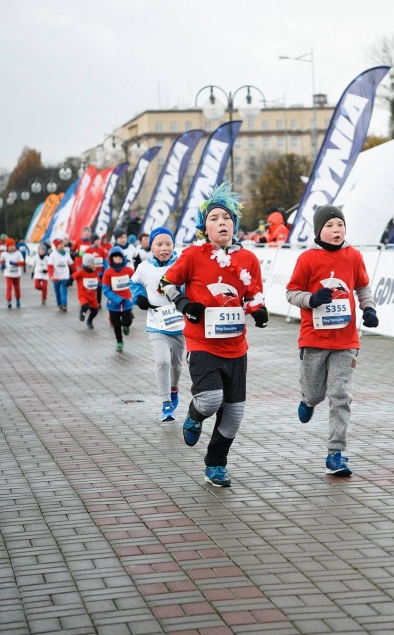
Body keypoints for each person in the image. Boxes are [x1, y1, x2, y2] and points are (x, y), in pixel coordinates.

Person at [157, 182, 269, 488]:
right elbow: (164, 283)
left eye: (227, 218)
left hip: (236, 348)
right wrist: (183, 302)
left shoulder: (249, 260)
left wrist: (259, 310)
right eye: (215, 218)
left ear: (235, 224)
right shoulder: (193, 255)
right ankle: (193, 416)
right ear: (204, 226)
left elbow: (253, 294)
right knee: (209, 400)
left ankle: (216, 464)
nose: (222, 223)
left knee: (234, 415)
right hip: (202, 342)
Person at [285, 205, 379, 477]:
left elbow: (362, 286)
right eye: (329, 225)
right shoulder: (308, 259)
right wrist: (311, 299)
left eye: (340, 224)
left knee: (340, 395)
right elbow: (292, 293)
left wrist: (368, 308)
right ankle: (307, 400)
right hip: (314, 339)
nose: (336, 230)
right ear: (319, 230)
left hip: (346, 340)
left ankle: (335, 454)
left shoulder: (353, 256)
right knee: (316, 393)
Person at [130, 227, 186, 422]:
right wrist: (139, 298)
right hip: (156, 323)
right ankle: (166, 404)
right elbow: (134, 283)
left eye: (168, 244)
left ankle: (174, 389)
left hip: (178, 324)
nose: (164, 248)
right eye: (159, 244)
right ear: (151, 247)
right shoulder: (144, 267)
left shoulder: (182, 263)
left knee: (177, 366)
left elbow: (191, 283)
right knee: (162, 361)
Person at [101, 246, 136, 352]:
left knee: (127, 321)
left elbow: (135, 282)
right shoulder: (108, 273)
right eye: (115, 257)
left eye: (120, 257)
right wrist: (117, 299)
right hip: (113, 304)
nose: (118, 259)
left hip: (127, 302)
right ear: (111, 259)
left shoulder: (128, 270)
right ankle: (119, 342)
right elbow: (106, 289)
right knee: (116, 325)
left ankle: (126, 326)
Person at [74, 253, 100, 330]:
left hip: (92, 296)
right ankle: (82, 313)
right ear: (88, 264)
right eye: (93, 263)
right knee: (85, 306)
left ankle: (89, 321)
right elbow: (73, 276)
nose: (94, 264)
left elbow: (98, 280)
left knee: (95, 311)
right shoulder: (81, 272)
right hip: (83, 295)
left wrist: (99, 285)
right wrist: (69, 281)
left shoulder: (94, 272)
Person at [48, 238, 73, 311]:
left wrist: (75, 274)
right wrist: (51, 275)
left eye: (63, 244)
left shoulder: (67, 254)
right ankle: (59, 304)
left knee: (63, 290)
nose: (62, 246)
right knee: (57, 291)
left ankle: (64, 304)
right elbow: (50, 266)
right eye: (60, 244)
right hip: (56, 277)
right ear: (56, 246)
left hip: (65, 276)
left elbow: (71, 264)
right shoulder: (53, 254)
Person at [1, 242, 25, 308]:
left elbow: (22, 262)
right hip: (8, 274)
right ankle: (9, 301)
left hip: (17, 274)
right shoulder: (4, 254)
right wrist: (2, 265)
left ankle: (18, 299)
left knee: (17, 288)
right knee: (9, 287)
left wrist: (16, 263)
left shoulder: (18, 253)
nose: (12, 247)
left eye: (13, 246)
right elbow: (2, 260)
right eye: (10, 246)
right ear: (7, 247)